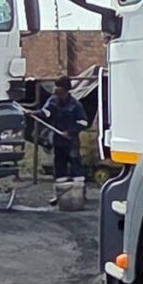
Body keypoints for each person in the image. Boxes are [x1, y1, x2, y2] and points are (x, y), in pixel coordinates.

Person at [37, 76, 87, 209]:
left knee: (76, 167)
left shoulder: (75, 105)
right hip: (58, 142)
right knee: (59, 169)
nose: (54, 89)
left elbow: (83, 123)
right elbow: (46, 113)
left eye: (57, 86)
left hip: (71, 142)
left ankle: (79, 195)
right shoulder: (53, 101)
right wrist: (34, 113)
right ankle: (61, 197)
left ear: (64, 89)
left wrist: (70, 131)